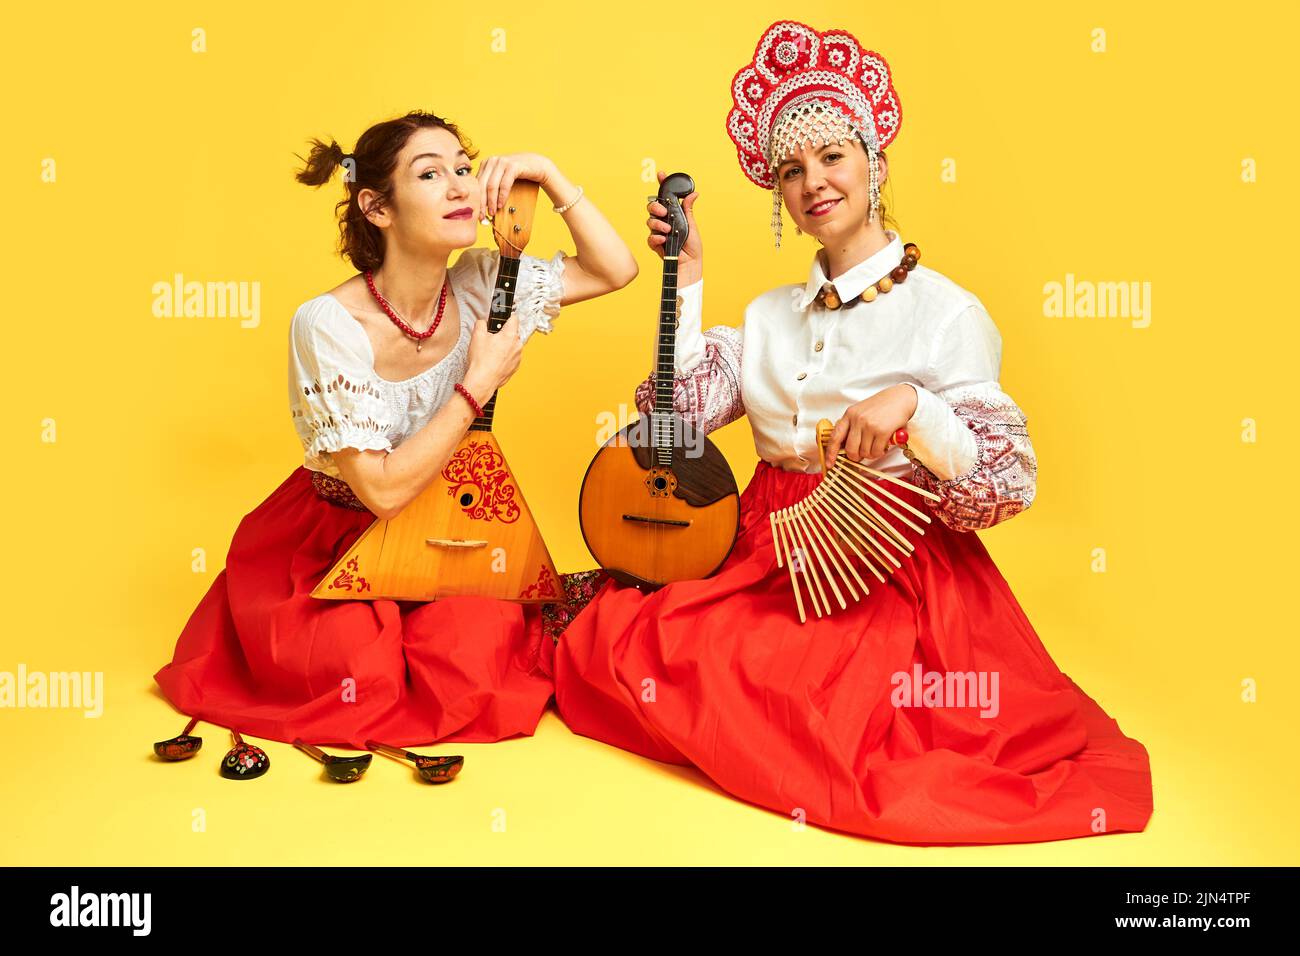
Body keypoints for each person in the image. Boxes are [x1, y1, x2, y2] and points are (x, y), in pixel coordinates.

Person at [551, 21, 1153, 844]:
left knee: (827, 718)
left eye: (832, 157)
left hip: (887, 566)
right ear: (779, 195)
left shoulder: (946, 313)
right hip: (764, 547)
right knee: (633, 645)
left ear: (874, 162)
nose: (813, 184)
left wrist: (914, 405)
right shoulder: (766, 317)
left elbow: (1008, 483)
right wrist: (685, 281)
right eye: (792, 171)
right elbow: (675, 424)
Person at [154, 110, 636, 749]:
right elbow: (380, 492)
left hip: (448, 526)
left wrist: (547, 174)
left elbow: (615, 270)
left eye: (464, 169)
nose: (461, 187)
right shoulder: (328, 324)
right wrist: (477, 384)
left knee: (474, 660)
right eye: (431, 174)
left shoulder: (481, 284)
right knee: (358, 674)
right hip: (337, 536)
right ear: (378, 207)